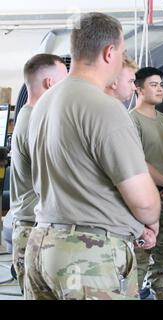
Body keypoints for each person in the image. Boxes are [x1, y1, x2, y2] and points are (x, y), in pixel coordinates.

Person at [25, 12, 161, 300]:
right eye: (122, 51)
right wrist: (150, 220)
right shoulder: (105, 107)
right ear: (109, 52)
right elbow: (145, 203)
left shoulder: (43, 103)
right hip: (88, 255)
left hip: (42, 245)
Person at [9, 53, 68, 292]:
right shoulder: (35, 121)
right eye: (65, 80)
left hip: (32, 226)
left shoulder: (29, 116)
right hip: (32, 228)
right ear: (49, 83)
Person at [130, 66, 163, 300]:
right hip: (143, 200)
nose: (160, 89)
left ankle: (159, 292)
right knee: (140, 254)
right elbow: (137, 161)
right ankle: (135, 294)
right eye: (154, 85)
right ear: (138, 88)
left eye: (161, 85)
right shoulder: (131, 121)